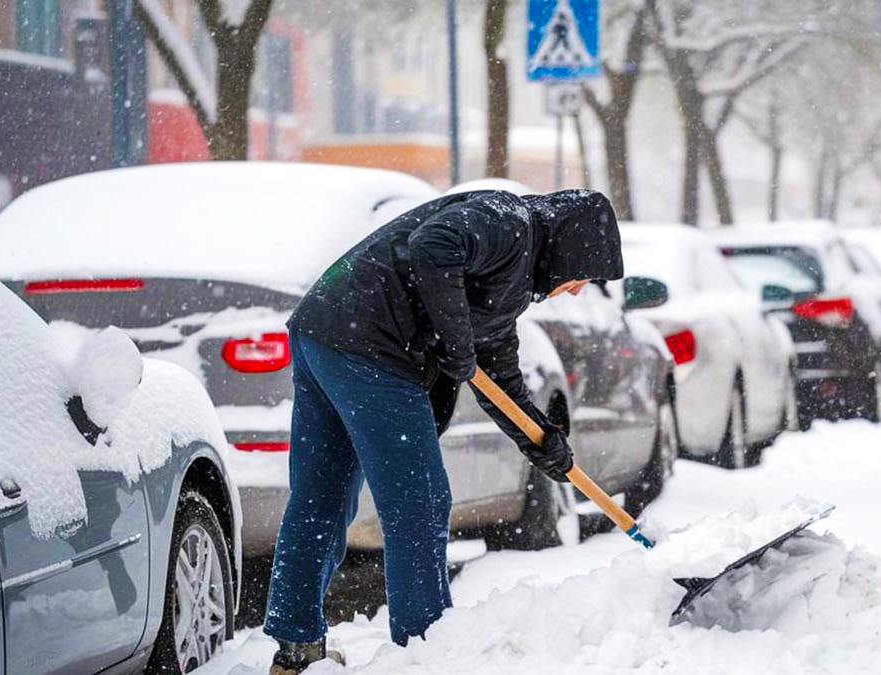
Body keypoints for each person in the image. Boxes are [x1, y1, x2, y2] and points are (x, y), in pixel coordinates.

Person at [263, 189, 623, 674]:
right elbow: (434, 244)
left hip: (323, 331)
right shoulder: (507, 220)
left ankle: (296, 646)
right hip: (370, 344)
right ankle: (424, 651)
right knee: (419, 501)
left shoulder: (510, 275)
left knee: (322, 496)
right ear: (569, 249)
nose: (578, 289)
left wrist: (542, 440)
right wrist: (456, 342)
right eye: (583, 276)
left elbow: (499, 377)